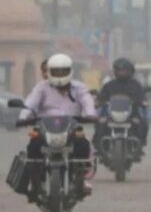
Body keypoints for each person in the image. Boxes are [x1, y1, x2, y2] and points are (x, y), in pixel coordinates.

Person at [20, 53, 96, 202]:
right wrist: (23, 117)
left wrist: (91, 114)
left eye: (63, 71)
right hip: (44, 128)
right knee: (33, 146)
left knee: (83, 144)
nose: (60, 75)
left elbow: (87, 102)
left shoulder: (79, 88)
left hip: (72, 127)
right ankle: (36, 182)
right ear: (49, 71)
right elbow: (30, 104)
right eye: (56, 71)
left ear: (70, 70)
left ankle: (79, 179)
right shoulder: (41, 88)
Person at [94, 58, 149, 148]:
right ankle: (99, 146)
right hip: (111, 114)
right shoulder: (109, 85)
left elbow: (142, 96)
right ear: (115, 71)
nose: (121, 73)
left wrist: (143, 102)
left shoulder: (136, 85)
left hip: (132, 114)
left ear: (130, 71)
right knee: (100, 123)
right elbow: (101, 96)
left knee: (142, 123)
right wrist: (98, 102)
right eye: (119, 70)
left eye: (124, 71)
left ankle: (140, 144)